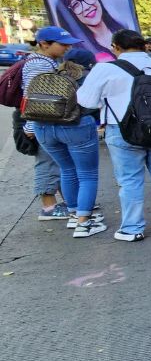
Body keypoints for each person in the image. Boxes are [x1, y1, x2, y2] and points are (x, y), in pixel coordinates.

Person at [77, 29, 151, 242]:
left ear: (116, 47)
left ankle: (133, 228)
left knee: (130, 180)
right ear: (144, 46)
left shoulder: (105, 69)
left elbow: (86, 101)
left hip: (122, 130)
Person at [22, 27, 106, 238]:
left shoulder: (49, 67)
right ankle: (83, 223)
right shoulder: (44, 65)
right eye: (63, 44)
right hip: (74, 125)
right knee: (87, 174)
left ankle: (73, 215)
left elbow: (31, 98)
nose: (67, 47)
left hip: (44, 126)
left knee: (67, 170)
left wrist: (31, 125)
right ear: (44, 43)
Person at [53, 0, 129, 61]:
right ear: (72, 13)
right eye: (76, 4)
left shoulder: (124, 31)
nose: (86, 6)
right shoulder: (79, 51)